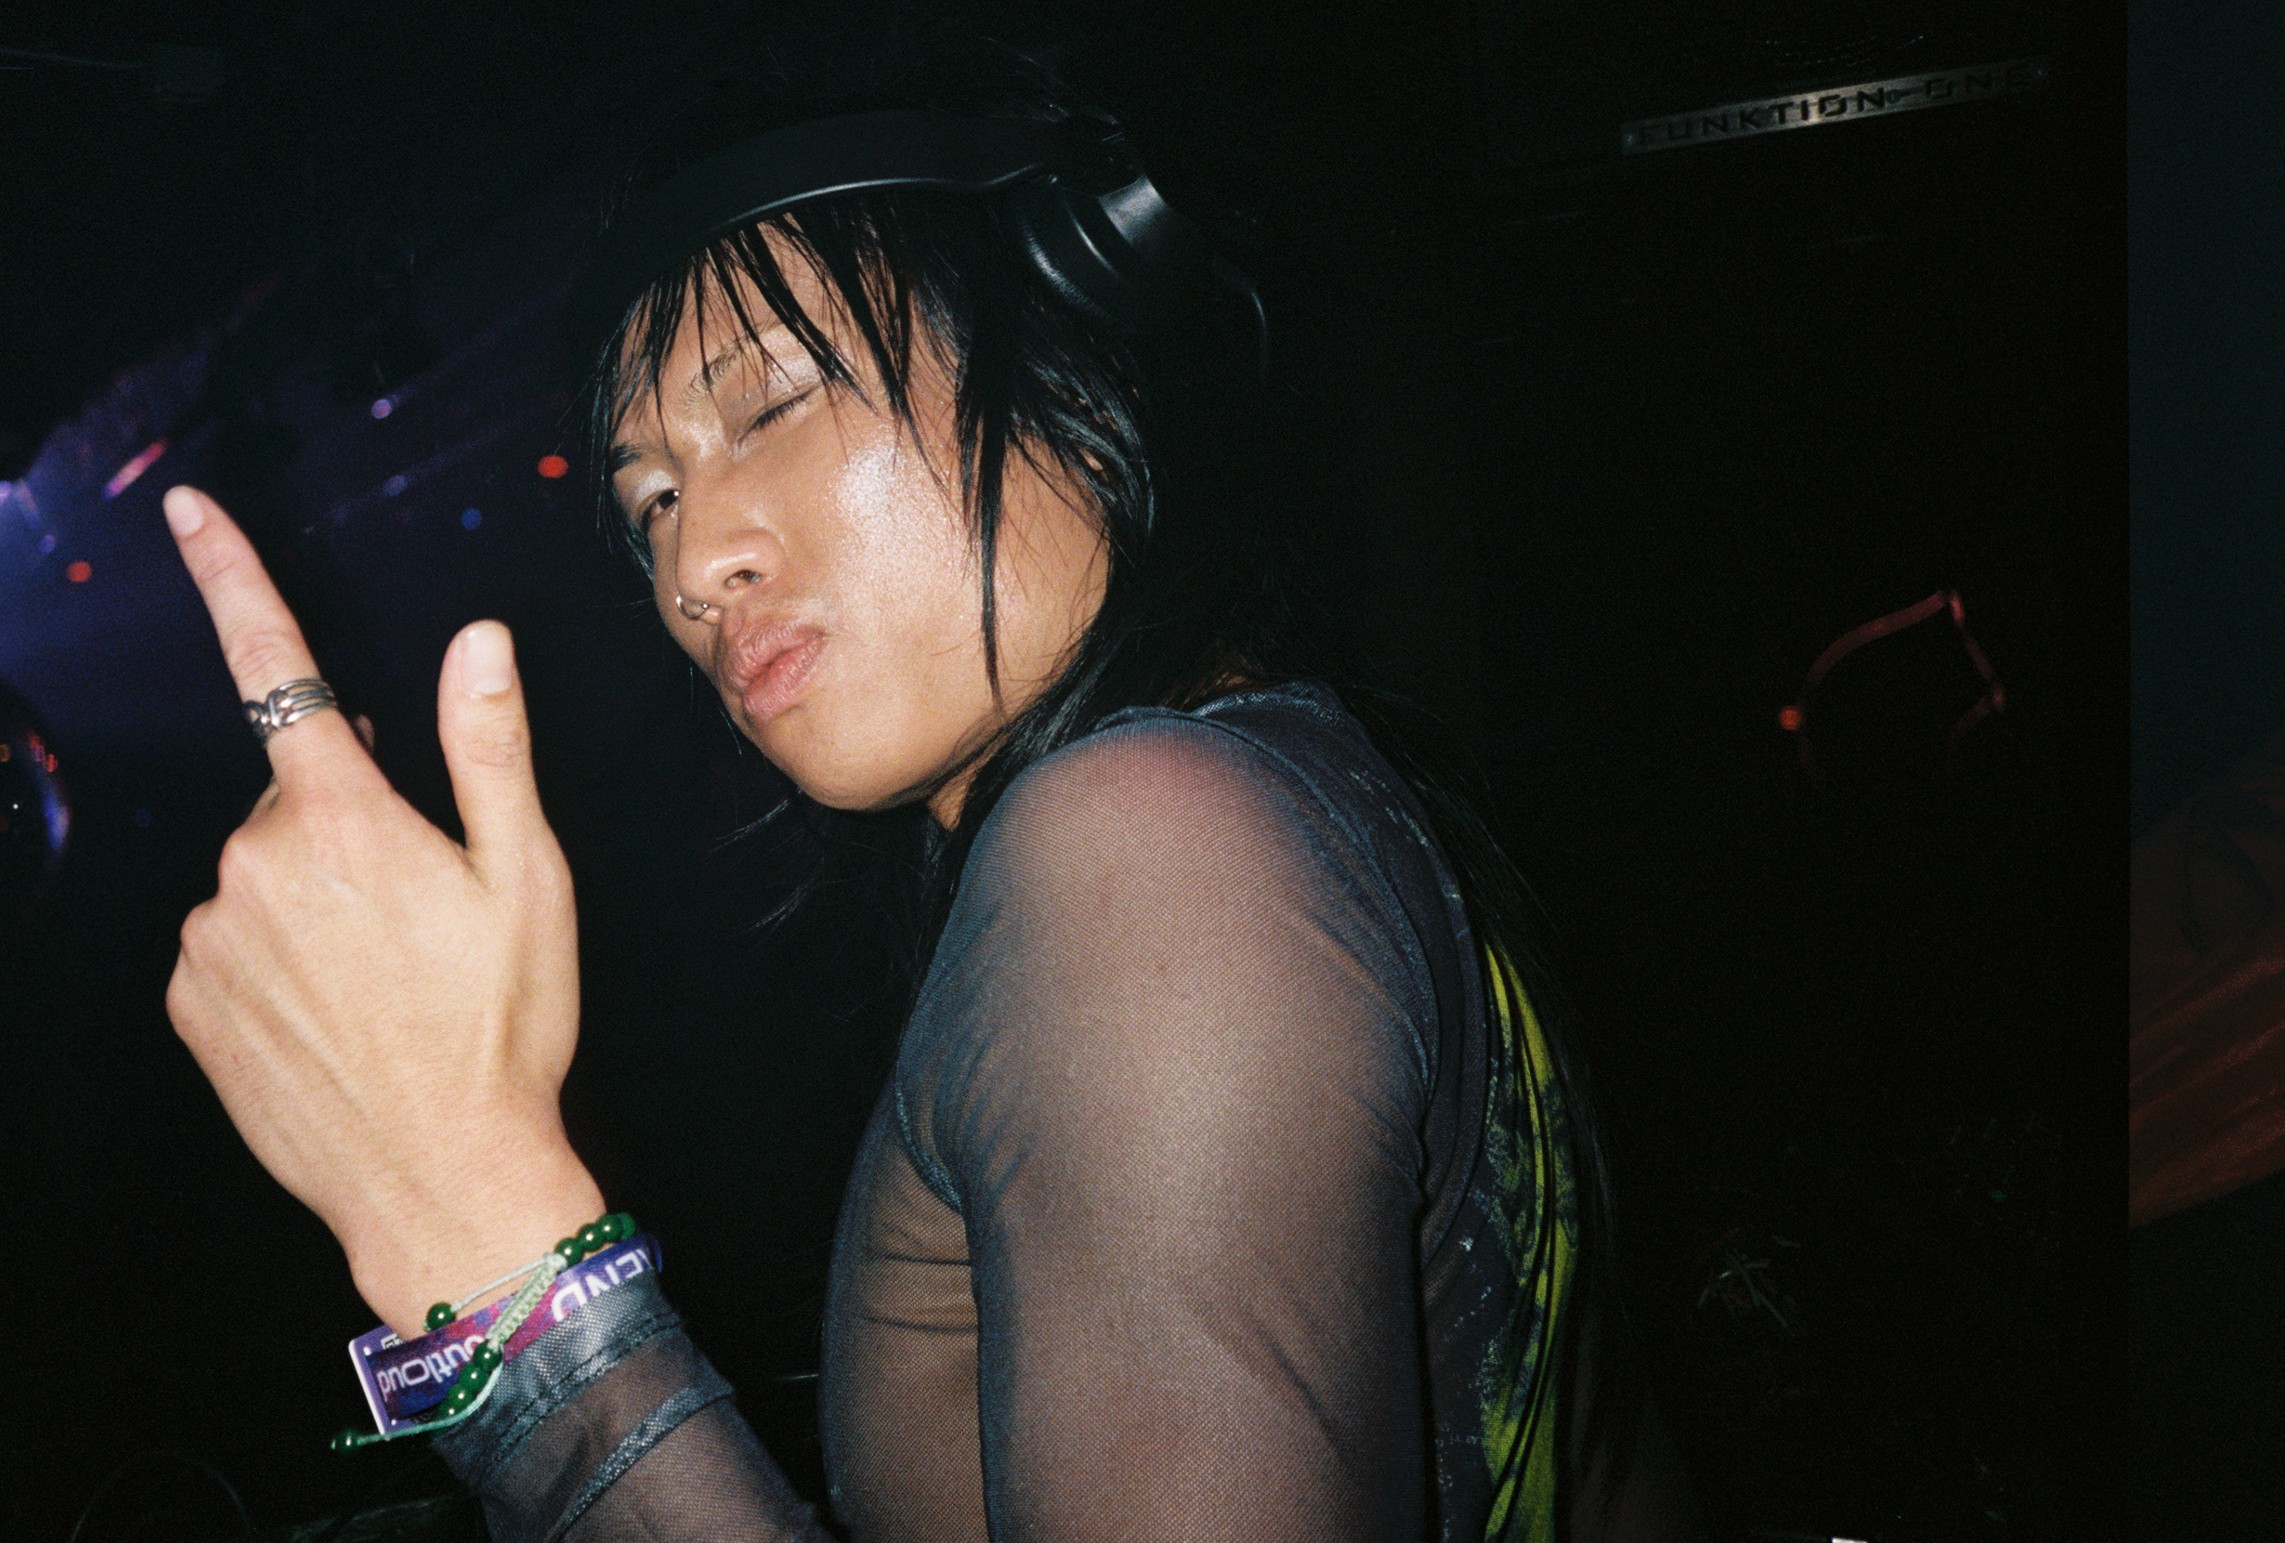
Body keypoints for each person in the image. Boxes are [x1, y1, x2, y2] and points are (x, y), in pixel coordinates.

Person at [160, 53, 1701, 1543]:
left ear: (1071, 347)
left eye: (771, 406)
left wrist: (490, 1260)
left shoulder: (1153, 850)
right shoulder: (1286, 807)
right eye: (652, 500)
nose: (696, 564)